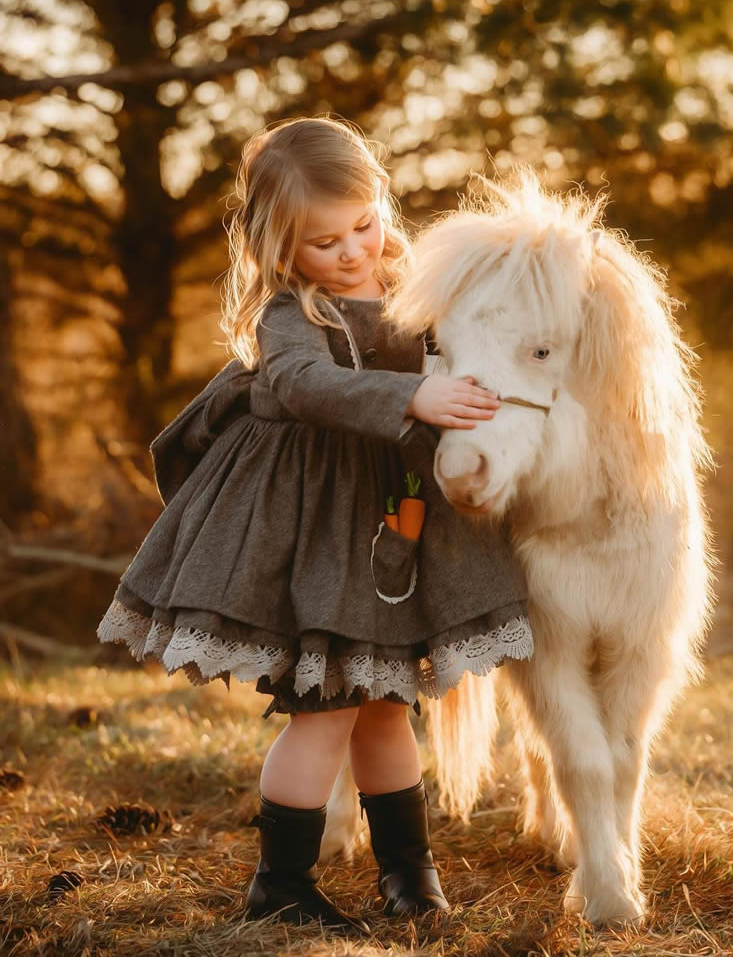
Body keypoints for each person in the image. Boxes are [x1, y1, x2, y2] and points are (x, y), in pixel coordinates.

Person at [97, 116, 533, 934]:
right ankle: (282, 883)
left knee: (387, 703)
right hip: (318, 531)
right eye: (324, 240)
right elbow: (301, 383)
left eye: (364, 224)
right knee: (325, 704)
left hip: (395, 524)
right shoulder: (292, 312)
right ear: (280, 247)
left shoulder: (413, 284)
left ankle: (409, 870)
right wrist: (408, 397)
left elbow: (474, 342)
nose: (352, 251)